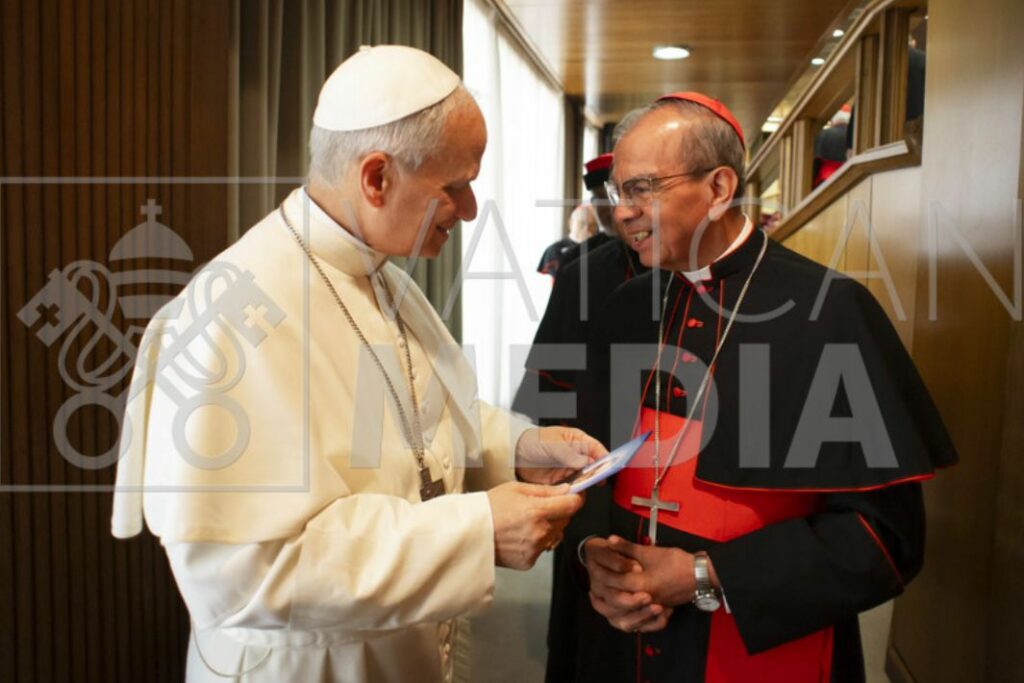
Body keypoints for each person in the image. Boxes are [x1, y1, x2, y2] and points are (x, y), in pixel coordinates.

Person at [110, 45, 606, 683]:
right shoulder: (232, 314)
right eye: (455, 185)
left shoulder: (385, 276)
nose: (472, 208)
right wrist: (474, 531)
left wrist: (519, 447)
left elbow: (417, 422)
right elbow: (241, 574)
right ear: (377, 178)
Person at [573, 92, 957, 681]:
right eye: (618, 192)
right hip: (624, 640)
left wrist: (706, 575)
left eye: (643, 188)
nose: (622, 211)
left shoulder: (830, 312)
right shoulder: (626, 308)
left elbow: (885, 540)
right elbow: (591, 469)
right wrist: (593, 556)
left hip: (759, 643)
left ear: (720, 188)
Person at [536, 203, 599, 277]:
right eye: (582, 223)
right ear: (571, 223)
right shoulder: (555, 250)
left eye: (592, 225)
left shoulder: (600, 246)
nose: (587, 229)